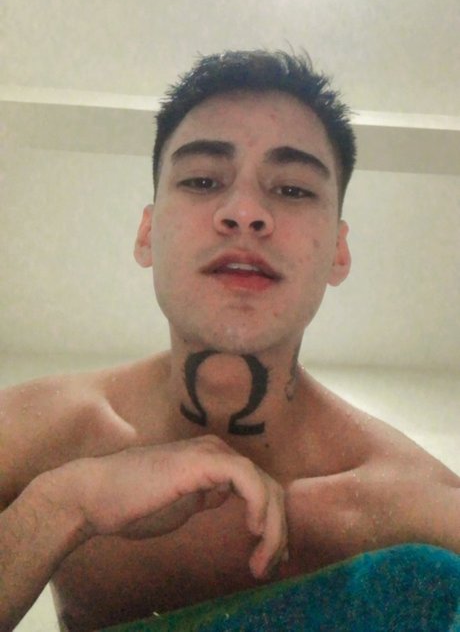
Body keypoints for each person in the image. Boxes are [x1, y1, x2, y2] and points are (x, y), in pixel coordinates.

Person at [0, 50, 459, 632]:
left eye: (292, 189)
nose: (244, 212)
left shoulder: (420, 509)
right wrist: (66, 504)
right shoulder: (33, 435)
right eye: (202, 181)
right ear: (147, 235)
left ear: (338, 254)